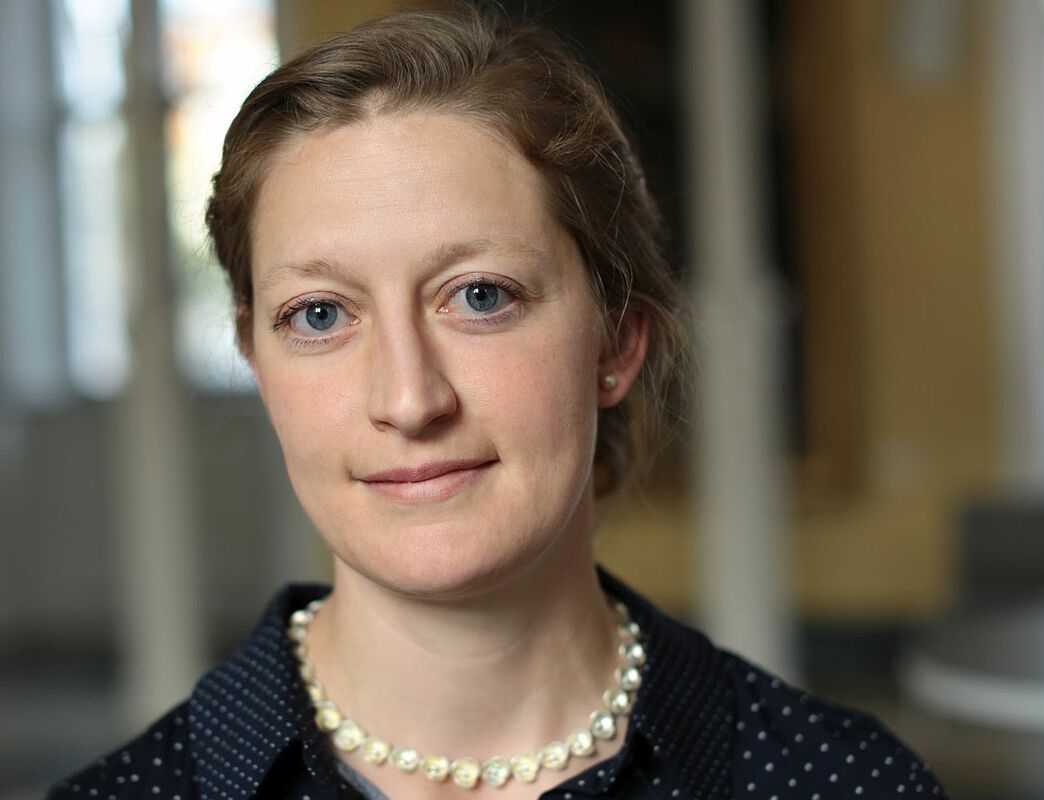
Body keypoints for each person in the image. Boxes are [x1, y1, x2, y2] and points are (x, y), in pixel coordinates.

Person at [50, 5, 945, 799]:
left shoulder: (844, 783)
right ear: (256, 357)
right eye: (319, 315)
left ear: (617, 341)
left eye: (480, 296)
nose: (409, 399)